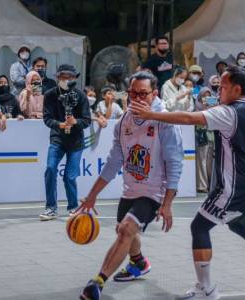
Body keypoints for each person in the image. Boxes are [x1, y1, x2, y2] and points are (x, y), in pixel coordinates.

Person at [130, 65, 245, 298]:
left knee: (199, 226)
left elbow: (188, 117)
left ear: (237, 89)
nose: (219, 91)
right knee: (238, 224)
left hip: (235, 185)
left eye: (224, 87)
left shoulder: (229, 113)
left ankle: (206, 288)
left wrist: (150, 115)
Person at [78, 71, 183, 300]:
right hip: (131, 188)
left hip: (154, 191)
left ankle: (97, 282)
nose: (136, 98)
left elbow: (175, 164)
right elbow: (114, 161)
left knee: (126, 229)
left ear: (154, 94)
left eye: (143, 94)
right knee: (123, 231)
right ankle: (139, 263)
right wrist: (92, 195)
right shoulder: (124, 121)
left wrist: (167, 203)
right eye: (132, 93)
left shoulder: (165, 122)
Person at [40, 64, 91, 220]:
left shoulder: (81, 95)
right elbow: (47, 119)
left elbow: (87, 120)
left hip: (76, 141)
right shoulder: (49, 95)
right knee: (50, 169)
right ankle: (51, 208)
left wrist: (75, 122)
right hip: (57, 138)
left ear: (75, 79)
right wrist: (59, 124)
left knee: (69, 176)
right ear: (57, 78)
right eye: (63, 77)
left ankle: (73, 207)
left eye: (70, 77)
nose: (66, 80)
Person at [195, 87, 217, 193]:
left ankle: (211, 184)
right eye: (204, 95)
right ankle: (202, 186)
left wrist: (212, 105)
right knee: (201, 161)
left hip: (212, 135)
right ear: (200, 96)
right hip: (201, 135)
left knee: (209, 162)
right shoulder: (196, 106)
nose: (206, 98)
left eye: (208, 96)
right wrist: (205, 107)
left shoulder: (214, 106)